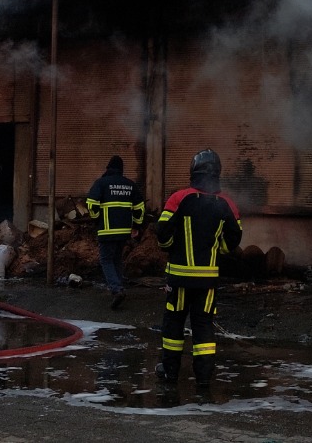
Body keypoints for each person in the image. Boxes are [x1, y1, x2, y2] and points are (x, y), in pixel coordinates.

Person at [154, 148, 243, 387]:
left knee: (173, 323)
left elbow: (162, 232)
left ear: (194, 171)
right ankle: (203, 377)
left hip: (179, 278)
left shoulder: (179, 198)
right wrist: (218, 249)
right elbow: (235, 237)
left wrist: (170, 246)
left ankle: (170, 372)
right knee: (203, 326)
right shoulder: (226, 204)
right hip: (207, 281)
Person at [85, 154, 145, 309]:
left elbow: (91, 203)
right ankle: (119, 287)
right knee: (117, 259)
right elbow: (140, 208)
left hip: (106, 229)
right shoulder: (130, 184)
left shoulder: (102, 183)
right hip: (124, 231)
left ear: (108, 167)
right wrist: (136, 226)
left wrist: (96, 218)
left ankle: (116, 289)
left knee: (106, 260)